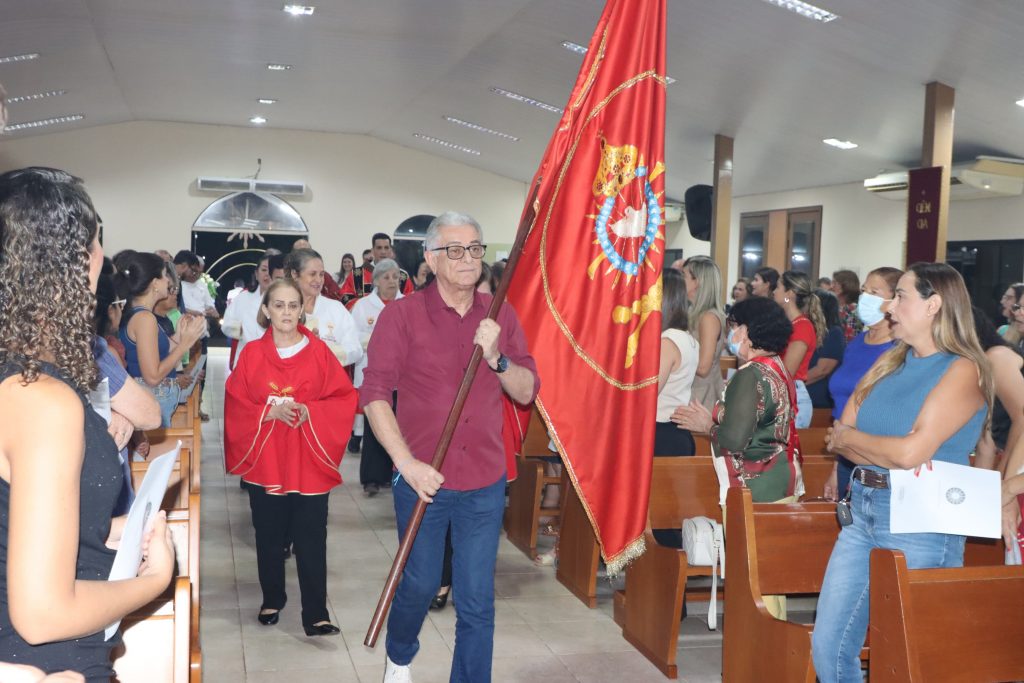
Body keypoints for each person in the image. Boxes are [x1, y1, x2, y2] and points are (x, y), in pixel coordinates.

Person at [0, 167, 175, 680]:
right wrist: (155, 581)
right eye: (99, 243)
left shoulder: (21, 373)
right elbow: (42, 616)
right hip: (48, 662)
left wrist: (112, 531)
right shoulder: (41, 398)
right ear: (80, 260)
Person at [361, 211, 539, 682]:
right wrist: (406, 463)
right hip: (422, 480)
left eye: (475, 249)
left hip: (483, 479)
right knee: (418, 584)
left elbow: (526, 391)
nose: (468, 259)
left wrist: (498, 358)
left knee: (477, 598)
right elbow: (374, 395)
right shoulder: (402, 316)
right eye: (455, 250)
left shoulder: (500, 316)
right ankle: (400, 654)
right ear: (431, 258)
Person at [812, 262, 990, 683]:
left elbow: (910, 452)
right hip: (863, 507)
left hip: (922, 518)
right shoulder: (891, 361)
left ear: (933, 305)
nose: (889, 305)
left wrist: (861, 443)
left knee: (909, 654)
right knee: (829, 645)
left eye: (900, 296)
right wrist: (874, 447)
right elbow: (839, 434)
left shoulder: (963, 369)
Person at [224, 278, 356, 636]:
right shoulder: (251, 354)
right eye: (278, 305)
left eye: (293, 305)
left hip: (307, 459)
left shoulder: (319, 353)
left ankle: (315, 613)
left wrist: (308, 410)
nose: (286, 312)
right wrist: (269, 413)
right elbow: (236, 401)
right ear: (266, 310)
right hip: (266, 459)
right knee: (269, 534)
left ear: (302, 310)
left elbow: (343, 399)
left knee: (312, 536)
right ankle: (272, 598)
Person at [823, 266, 902, 500]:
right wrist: (837, 468)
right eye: (864, 290)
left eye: (874, 292)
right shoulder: (858, 342)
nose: (865, 297)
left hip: (875, 455)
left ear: (894, 301)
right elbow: (843, 410)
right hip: (845, 451)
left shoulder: (898, 349)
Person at [114, 250, 205, 427]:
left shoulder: (144, 315)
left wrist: (180, 335)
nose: (168, 281)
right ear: (155, 283)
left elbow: (158, 352)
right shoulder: (144, 319)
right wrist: (185, 344)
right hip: (150, 399)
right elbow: (153, 377)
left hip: (156, 400)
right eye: (164, 276)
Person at [350, 259, 405, 496]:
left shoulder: (407, 304)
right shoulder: (363, 306)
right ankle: (371, 478)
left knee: (397, 426)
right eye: (386, 277)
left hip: (402, 376)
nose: (392, 281)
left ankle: (391, 474)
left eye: (395, 277)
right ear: (376, 281)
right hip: (373, 372)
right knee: (374, 427)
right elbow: (353, 337)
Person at [284, 248, 362, 368]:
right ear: (295, 274)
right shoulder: (282, 308)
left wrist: (322, 351)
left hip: (327, 381)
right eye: (312, 274)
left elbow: (355, 348)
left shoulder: (335, 308)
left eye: (321, 274)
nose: (319, 280)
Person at [970, 306, 1024, 472]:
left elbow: (1022, 418)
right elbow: (986, 440)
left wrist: (1005, 476)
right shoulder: (970, 366)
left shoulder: (996, 357)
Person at [774, 270, 826, 428]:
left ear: (788, 293)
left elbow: (787, 371)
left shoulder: (802, 326)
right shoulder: (788, 324)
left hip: (792, 396)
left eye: (778, 287)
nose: (774, 291)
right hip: (783, 392)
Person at [656, 269, 700, 456]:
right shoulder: (687, 338)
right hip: (675, 430)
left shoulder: (668, 341)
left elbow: (649, 391)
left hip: (662, 432)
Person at [681, 256, 726, 413]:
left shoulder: (708, 318)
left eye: (684, 276)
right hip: (694, 392)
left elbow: (703, 367)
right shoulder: (695, 313)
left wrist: (673, 360)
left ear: (697, 281)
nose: (680, 281)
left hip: (701, 397)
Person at [222, 251, 275, 369]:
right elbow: (226, 324)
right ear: (256, 274)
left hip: (272, 361)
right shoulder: (243, 297)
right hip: (245, 357)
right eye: (264, 270)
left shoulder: (284, 301)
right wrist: (242, 330)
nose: (267, 274)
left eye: (271, 270)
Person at [339, 232, 414, 307]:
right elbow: (345, 298)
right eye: (379, 248)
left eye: (386, 248)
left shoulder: (402, 276)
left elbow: (410, 301)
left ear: (390, 250)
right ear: (372, 251)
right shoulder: (356, 275)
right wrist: (366, 306)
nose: (383, 252)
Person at [804, 289, 846, 409]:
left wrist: (795, 385)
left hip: (818, 400)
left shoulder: (833, 333)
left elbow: (822, 370)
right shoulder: (810, 330)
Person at [831, 269, 863, 342]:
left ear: (846, 285)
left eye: (835, 283)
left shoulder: (854, 310)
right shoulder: (834, 305)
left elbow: (849, 337)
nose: (831, 286)